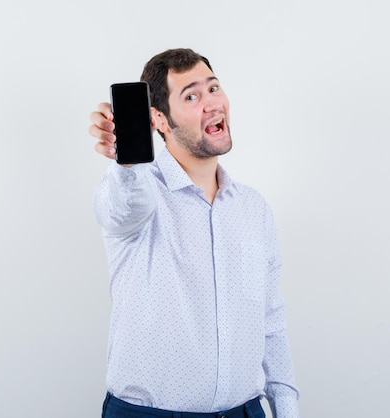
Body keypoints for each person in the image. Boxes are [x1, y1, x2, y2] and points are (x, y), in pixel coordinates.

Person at [88, 48, 300, 418]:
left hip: (246, 411)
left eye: (214, 88)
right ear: (159, 119)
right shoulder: (138, 191)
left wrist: (286, 407)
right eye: (192, 96)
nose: (212, 103)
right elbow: (123, 209)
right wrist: (126, 162)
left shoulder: (253, 208)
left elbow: (270, 319)